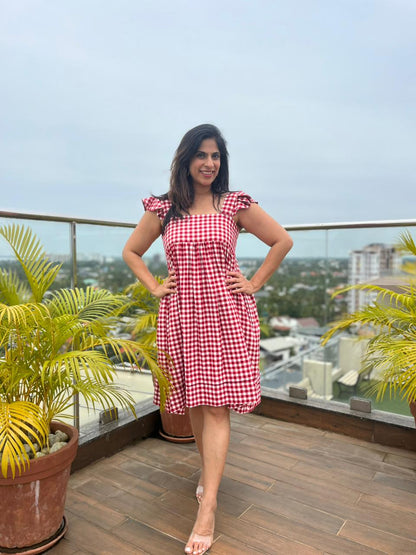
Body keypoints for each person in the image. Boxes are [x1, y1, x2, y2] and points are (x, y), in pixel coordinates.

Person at [123, 124, 293, 554]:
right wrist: (153, 286)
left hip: (225, 313)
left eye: (215, 156)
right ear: (186, 159)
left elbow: (281, 240)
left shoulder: (233, 204)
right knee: (196, 401)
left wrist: (253, 282)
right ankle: (207, 473)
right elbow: (131, 251)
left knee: (216, 405)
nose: (209, 163)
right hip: (180, 315)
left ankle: (209, 506)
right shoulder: (164, 209)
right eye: (201, 155)